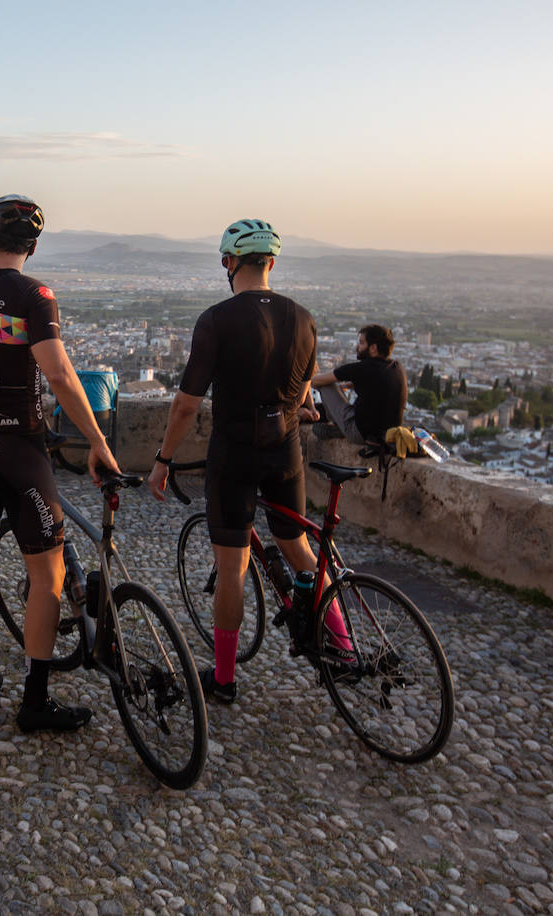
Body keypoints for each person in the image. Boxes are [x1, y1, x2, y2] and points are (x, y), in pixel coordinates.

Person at [0, 194, 120, 733]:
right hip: (18, 451)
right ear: (32, 246)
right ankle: (34, 700)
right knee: (48, 574)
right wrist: (97, 441)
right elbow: (58, 374)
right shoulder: (36, 296)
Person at [146, 219, 351, 705]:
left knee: (233, 567)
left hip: (235, 454)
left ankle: (224, 679)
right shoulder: (304, 318)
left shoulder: (216, 320)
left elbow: (186, 405)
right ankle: (344, 648)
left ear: (228, 263)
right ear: (271, 263)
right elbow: (303, 393)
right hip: (286, 451)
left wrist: (163, 460)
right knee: (300, 549)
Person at [310, 324, 407, 445]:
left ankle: (337, 425)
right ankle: (340, 426)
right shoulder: (396, 367)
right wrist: (346, 386)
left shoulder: (362, 368)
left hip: (361, 434)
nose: (357, 347)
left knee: (326, 385)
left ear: (373, 348)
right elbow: (374, 382)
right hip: (389, 434)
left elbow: (315, 381)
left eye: (361, 343)